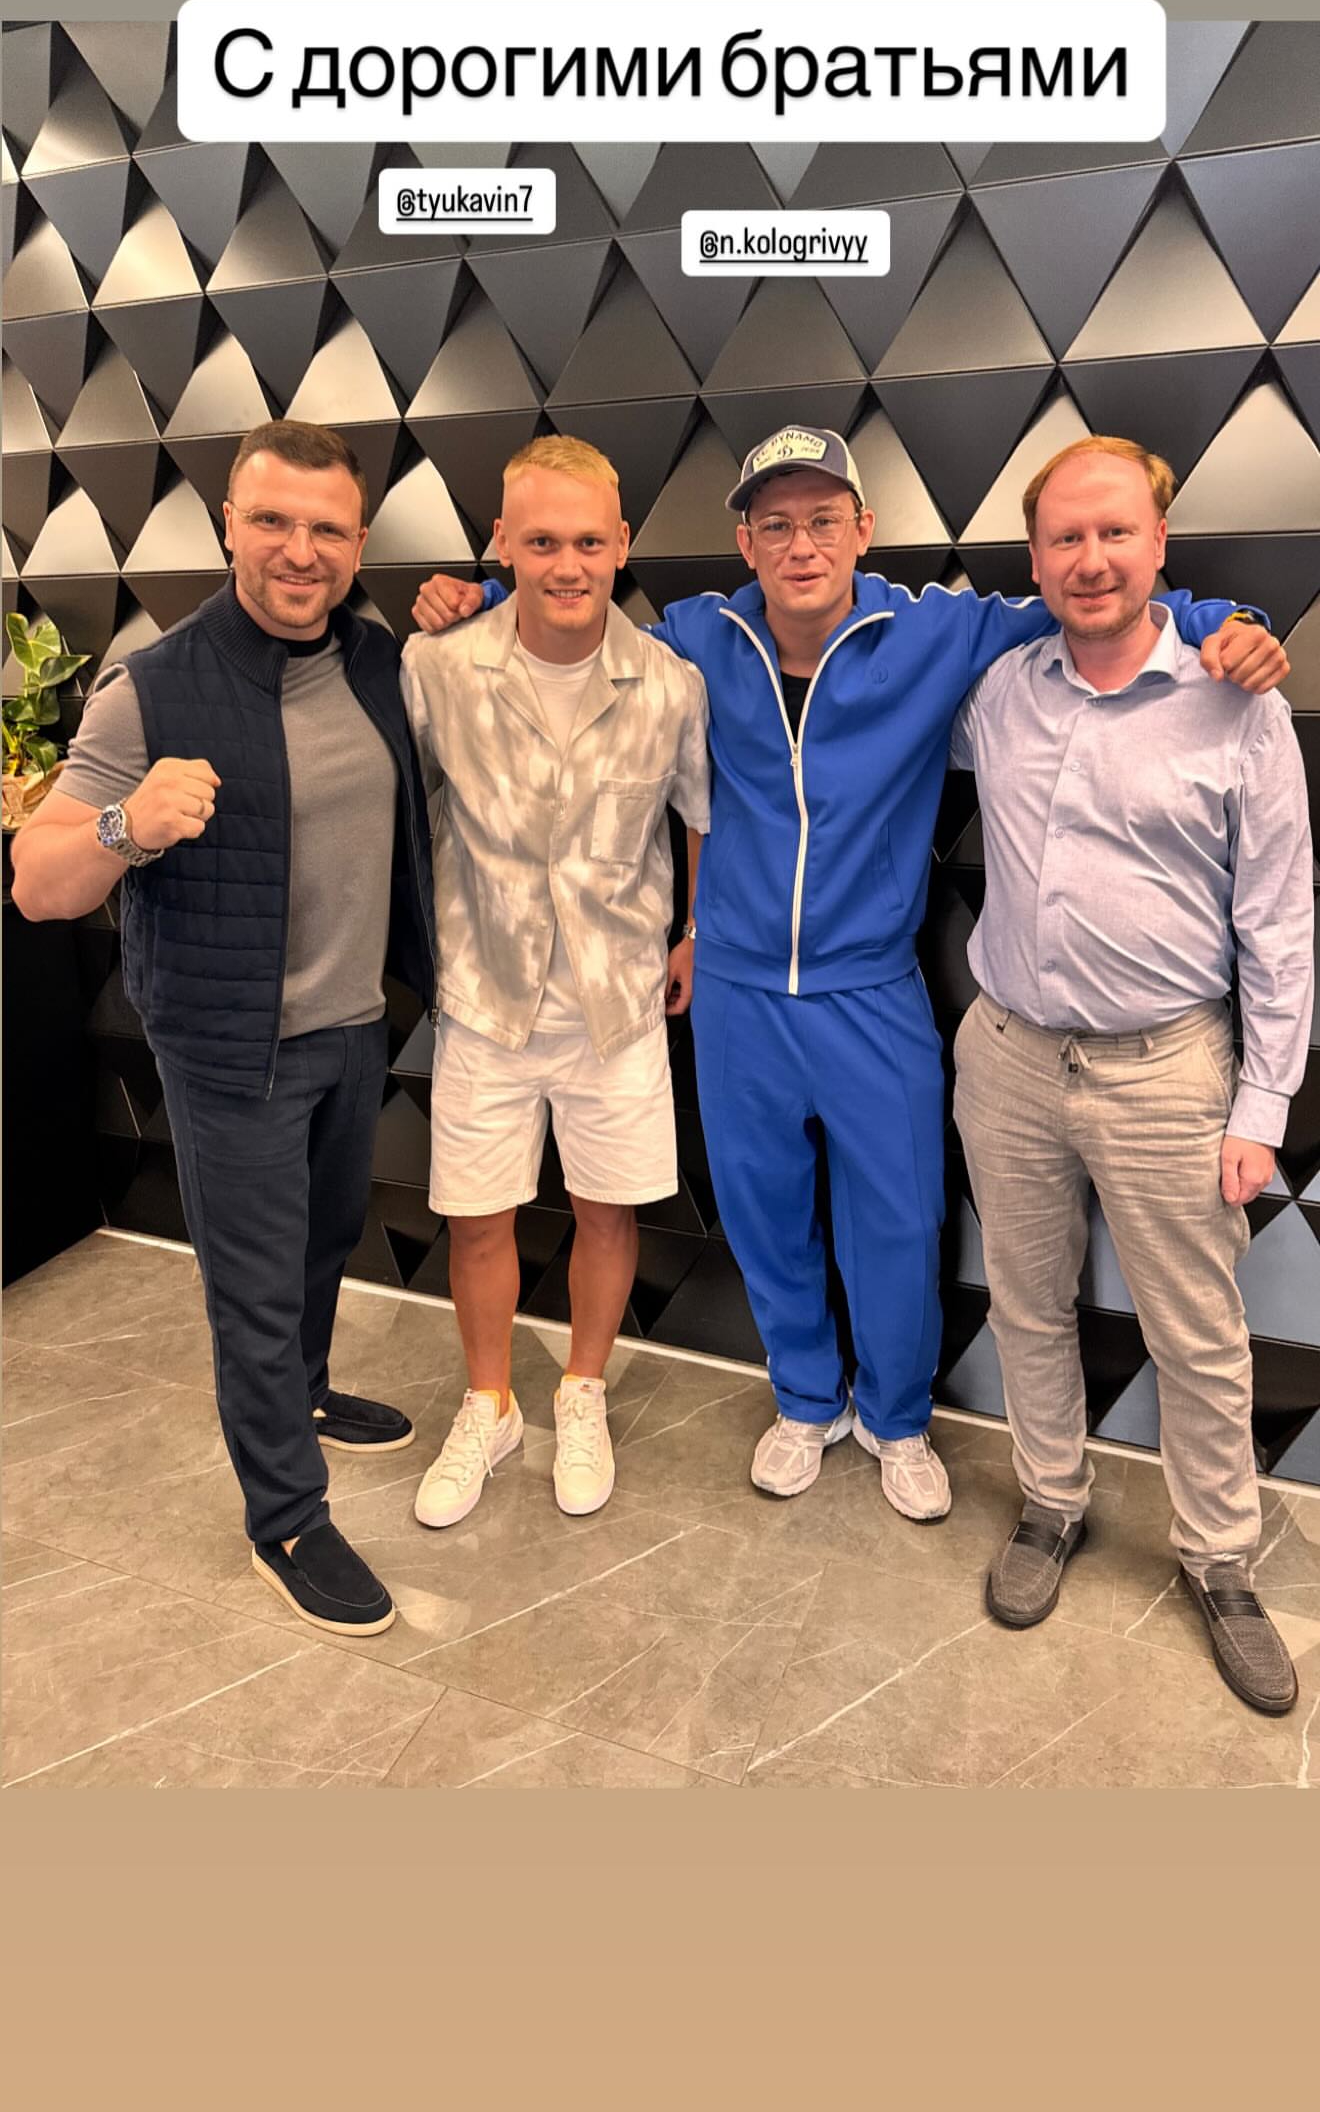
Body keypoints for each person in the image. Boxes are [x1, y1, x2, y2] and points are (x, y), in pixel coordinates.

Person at [413, 426, 1284, 1525]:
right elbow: (573, 620)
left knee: (898, 1221)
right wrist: (482, 595)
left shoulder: (936, 629)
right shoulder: (697, 635)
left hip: (872, 988)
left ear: (863, 529)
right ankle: (805, 1401)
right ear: (746, 540)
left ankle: (898, 1418)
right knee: (765, 1213)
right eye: (776, 523)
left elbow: (1104, 604)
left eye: (824, 519)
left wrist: (1222, 620)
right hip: (736, 993)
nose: (802, 544)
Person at [10, 419, 471, 1639]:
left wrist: (460, 608)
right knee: (255, 1293)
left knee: (323, 1245)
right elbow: (37, 883)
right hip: (228, 1047)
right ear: (229, 525)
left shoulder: (376, 662)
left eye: (326, 528)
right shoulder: (149, 688)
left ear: (357, 541)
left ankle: (306, 1395)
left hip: (353, 1028)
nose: (299, 551)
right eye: (271, 520)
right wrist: (127, 825)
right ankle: (287, 1519)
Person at [949, 435, 1312, 1715]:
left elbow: (1280, 923)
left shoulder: (1240, 703)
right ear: (1035, 555)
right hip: (1007, 1056)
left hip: (1169, 1072)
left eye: (1116, 533)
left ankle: (1220, 1557)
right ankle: (1052, 1500)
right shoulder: (999, 692)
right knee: (1027, 1302)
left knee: (1197, 1334)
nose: (1091, 559)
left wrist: (1262, 1106)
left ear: (1161, 543)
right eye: (1066, 537)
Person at [400, 436, 709, 1529]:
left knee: (605, 1211)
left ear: (621, 544)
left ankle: (582, 1391)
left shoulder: (670, 682)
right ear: (503, 543)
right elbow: (404, 811)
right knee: (477, 1218)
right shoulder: (436, 668)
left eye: (586, 542)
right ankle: (489, 1404)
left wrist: (692, 930)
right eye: (540, 542)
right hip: (485, 994)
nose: (566, 565)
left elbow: (696, 815)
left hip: (617, 1001)